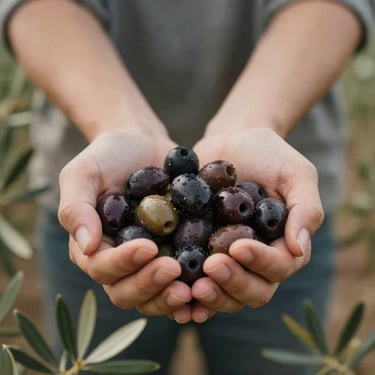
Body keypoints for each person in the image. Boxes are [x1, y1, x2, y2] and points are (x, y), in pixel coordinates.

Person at [1, 1, 374, 374]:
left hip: (283, 189)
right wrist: (115, 121)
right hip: (93, 193)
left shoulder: (237, 206)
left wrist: (256, 120)